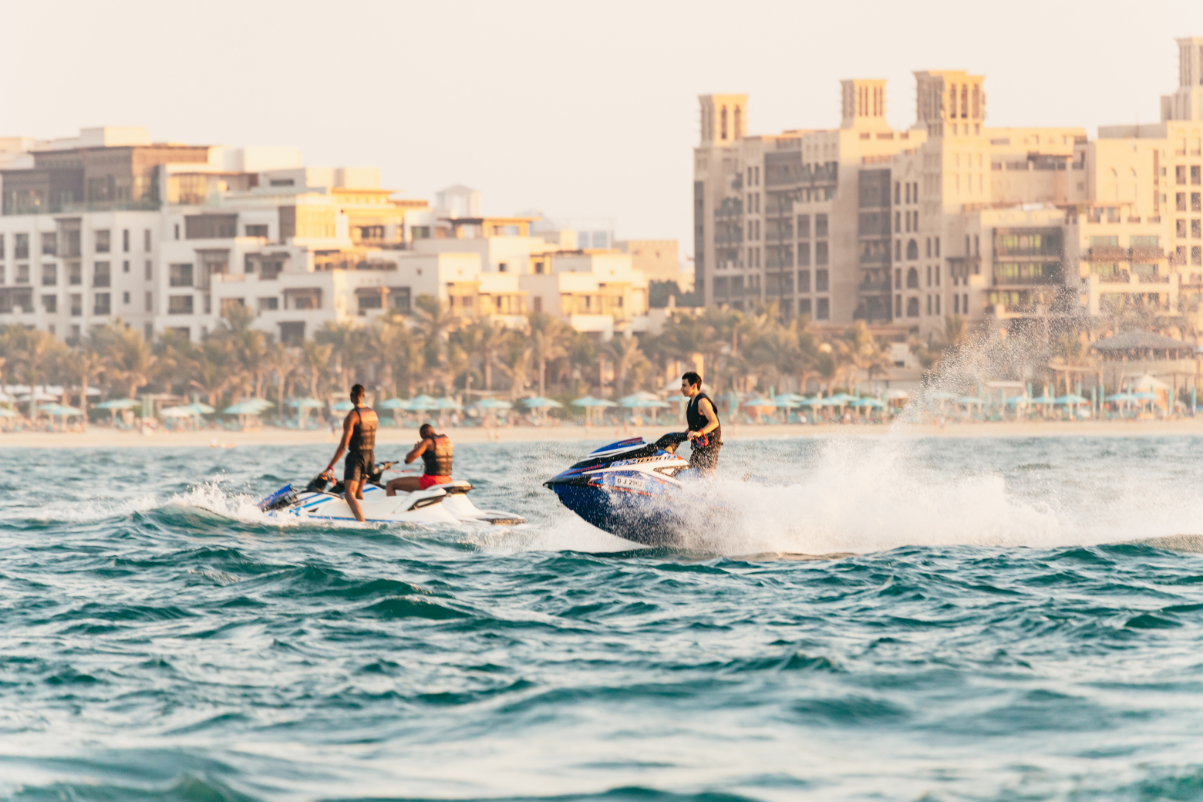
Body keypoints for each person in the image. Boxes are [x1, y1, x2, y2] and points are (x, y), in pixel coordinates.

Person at [323, 384, 377, 522]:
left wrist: (329, 467)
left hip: (356, 457)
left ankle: (362, 523)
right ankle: (368, 517)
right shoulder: (373, 414)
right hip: (370, 456)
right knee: (359, 492)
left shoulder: (352, 416)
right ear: (363, 395)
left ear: (351, 396)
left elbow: (343, 446)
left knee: (349, 494)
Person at [387, 423, 454, 496]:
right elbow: (435, 456)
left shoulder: (428, 441)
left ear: (426, 433)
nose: (423, 440)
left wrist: (416, 448)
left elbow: (408, 460)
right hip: (447, 480)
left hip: (431, 481)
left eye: (423, 437)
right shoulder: (446, 439)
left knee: (390, 484)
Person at [681, 371, 722, 474]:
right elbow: (694, 425)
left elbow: (714, 422)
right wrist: (680, 436)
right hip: (700, 444)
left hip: (711, 443)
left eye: (684, 386)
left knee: (708, 472)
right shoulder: (690, 403)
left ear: (694, 386)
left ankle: (720, 490)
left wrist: (699, 433)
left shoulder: (702, 401)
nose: (681, 389)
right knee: (692, 470)